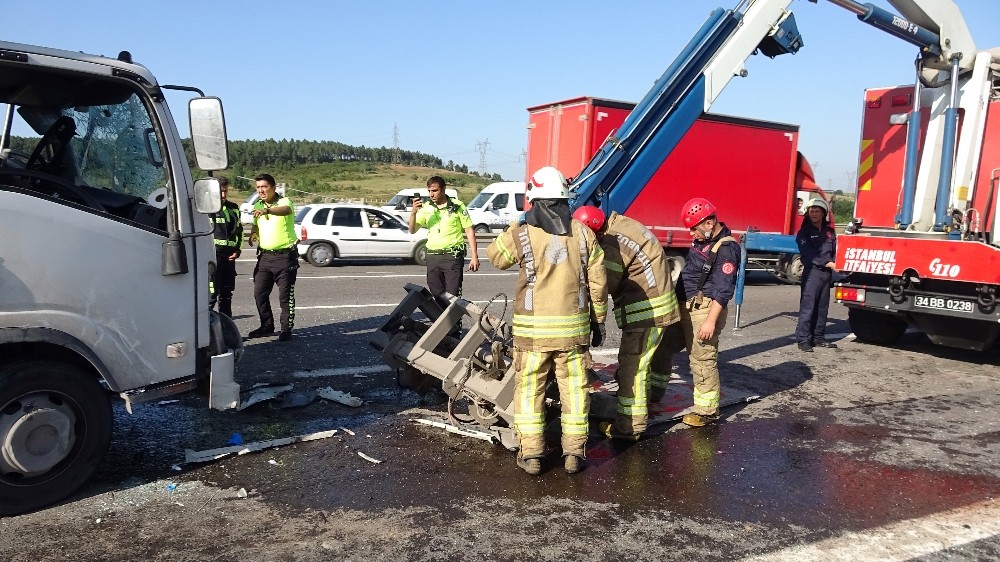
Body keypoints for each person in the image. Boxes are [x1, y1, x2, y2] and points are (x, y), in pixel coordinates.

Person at [487, 166, 608, 475]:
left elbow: (495, 257)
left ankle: (532, 455)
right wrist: (599, 321)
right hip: (574, 334)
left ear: (535, 201)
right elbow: (598, 282)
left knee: (529, 390)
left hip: (533, 336)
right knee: (575, 391)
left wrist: (514, 224)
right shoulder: (582, 233)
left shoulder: (523, 232)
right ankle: (574, 454)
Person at [573, 205, 680, 440]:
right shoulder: (623, 224)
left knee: (633, 367)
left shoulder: (610, 245)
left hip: (644, 311)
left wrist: (591, 317)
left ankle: (629, 426)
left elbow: (602, 287)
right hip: (660, 305)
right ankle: (651, 398)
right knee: (652, 359)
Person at [650, 197, 739, 427]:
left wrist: (710, 321)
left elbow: (723, 289)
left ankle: (707, 410)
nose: (691, 233)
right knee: (662, 347)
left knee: (701, 359)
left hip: (704, 311)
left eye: (693, 228)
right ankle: (654, 392)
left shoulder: (726, 248)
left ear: (709, 223)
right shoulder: (703, 242)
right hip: (685, 308)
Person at [409, 176, 479, 298]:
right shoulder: (426, 207)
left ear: (443, 189)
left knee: (452, 296)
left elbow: (469, 230)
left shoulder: (457, 206)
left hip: (452, 258)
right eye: (429, 191)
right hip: (432, 257)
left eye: (435, 191)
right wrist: (413, 213)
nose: (431, 194)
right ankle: (442, 316)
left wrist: (474, 256)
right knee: (436, 294)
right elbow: (412, 230)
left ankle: (453, 317)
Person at [247, 174, 298, 342]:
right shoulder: (257, 205)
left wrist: (267, 210)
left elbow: (286, 211)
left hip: (285, 257)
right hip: (265, 258)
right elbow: (256, 222)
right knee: (259, 293)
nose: (261, 190)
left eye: (264, 187)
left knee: (285, 296)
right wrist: (254, 232)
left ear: (273, 187)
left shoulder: (284, 202)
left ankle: (286, 330)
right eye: (258, 187)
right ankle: (267, 326)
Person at [795, 197, 837, 352]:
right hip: (812, 273)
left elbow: (835, 251)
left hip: (826, 274)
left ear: (823, 213)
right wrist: (829, 263)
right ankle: (803, 339)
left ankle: (818, 337)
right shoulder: (804, 233)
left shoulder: (829, 232)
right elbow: (809, 254)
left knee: (822, 307)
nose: (814, 214)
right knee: (808, 307)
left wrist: (837, 262)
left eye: (817, 211)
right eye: (811, 211)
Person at [209, 176, 243, 318]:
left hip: (229, 259)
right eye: (220, 192)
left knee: (226, 296)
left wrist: (237, 250)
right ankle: (207, 334)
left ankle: (226, 330)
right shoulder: (206, 209)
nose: (223, 195)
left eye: (225, 191)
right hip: (213, 258)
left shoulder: (234, 208)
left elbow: (239, 232)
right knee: (210, 297)